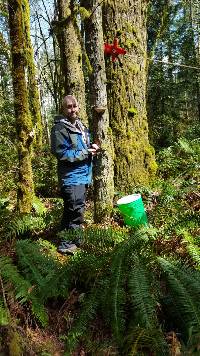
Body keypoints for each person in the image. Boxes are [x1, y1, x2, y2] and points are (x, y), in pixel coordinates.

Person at [51, 95, 99, 254]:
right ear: (63, 109)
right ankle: (67, 245)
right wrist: (85, 152)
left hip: (83, 174)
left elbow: (83, 146)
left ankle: (71, 237)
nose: (72, 109)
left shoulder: (81, 126)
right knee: (76, 210)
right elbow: (62, 153)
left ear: (78, 107)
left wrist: (91, 147)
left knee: (70, 210)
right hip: (71, 177)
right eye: (68, 107)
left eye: (74, 106)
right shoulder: (60, 128)